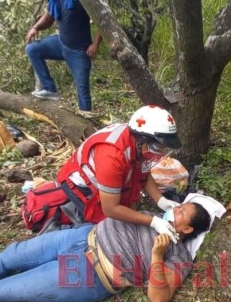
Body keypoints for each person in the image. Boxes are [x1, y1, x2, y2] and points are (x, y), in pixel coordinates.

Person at [0, 202, 211, 302]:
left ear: (187, 229)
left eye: (181, 212)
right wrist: (152, 217)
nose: (174, 210)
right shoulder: (152, 217)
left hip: (90, 273)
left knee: (5, 289)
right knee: (8, 257)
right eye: (178, 205)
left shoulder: (179, 256)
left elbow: (157, 299)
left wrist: (157, 256)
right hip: (79, 237)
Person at [56, 104, 183, 243]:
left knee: (130, 217)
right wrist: (153, 222)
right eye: (157, 146)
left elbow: (144, 174)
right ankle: (70, 234)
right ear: (142, 140)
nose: (159, 151)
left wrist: (160, 200)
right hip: (81, 183)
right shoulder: (111, 156)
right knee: (107, 229)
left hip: (112, 177)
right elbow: (110, 209)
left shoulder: (137, 143)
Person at [24, 0, 102, 117]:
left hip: (79, 51)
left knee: (83, 91)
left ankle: (87, 122)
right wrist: (35, 27)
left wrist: (95, 44)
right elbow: (49, 17)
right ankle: (49, 88)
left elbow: (101, 19)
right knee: (32, 49)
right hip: (61, 43)